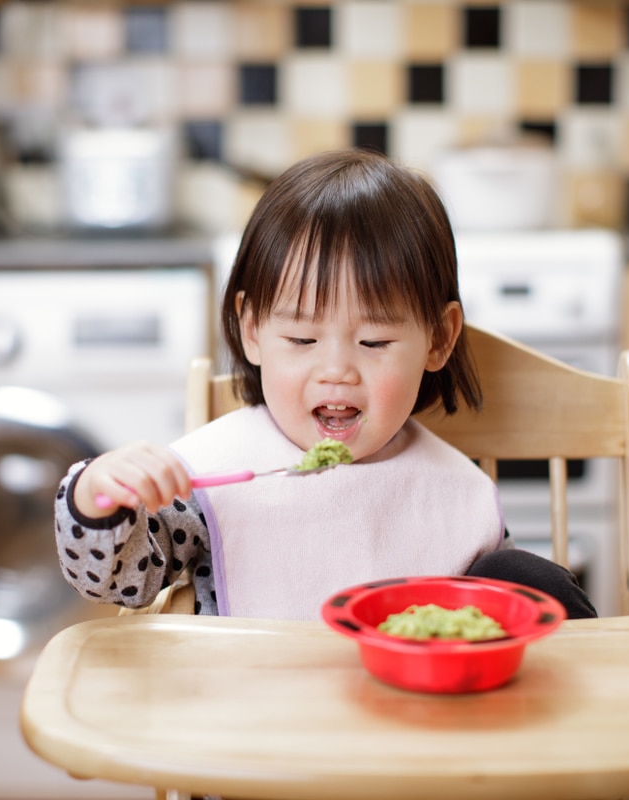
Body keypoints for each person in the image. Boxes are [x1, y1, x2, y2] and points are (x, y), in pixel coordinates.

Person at [54, 149, 596, 620]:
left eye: (375, 343)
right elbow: (119, 581)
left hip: (413, 729)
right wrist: (97, 496)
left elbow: (488, 623)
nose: (336, 370)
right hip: (254, 722)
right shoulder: (217, 474)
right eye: (302, 340)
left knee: (527, 577)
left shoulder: (452, 489)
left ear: (437, 339)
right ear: (252, 332)